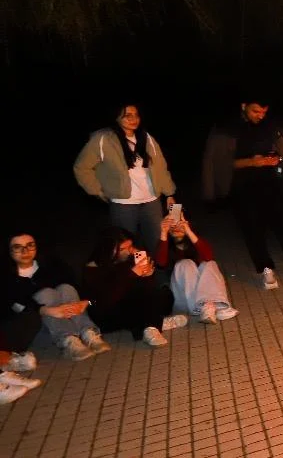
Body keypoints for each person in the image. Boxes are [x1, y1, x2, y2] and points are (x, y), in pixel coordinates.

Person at [202, 92, 283, 289]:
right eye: (256, 111)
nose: (260, 115)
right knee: (253, 229)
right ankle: (265, 269)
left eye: (264, 112)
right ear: (244, 106)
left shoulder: (270, 125)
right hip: (242, 186)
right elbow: (219, 164)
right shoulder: (226, 129)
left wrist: (279, 161)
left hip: (272, 181)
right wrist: (252, 162)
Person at [74, 104, 177, 251]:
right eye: (128, 115)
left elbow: (160, 166)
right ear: (117, 117)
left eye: (136, 115)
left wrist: (169, 193)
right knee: (127, 248)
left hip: (152, 202)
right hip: (123, 204)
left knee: (158, 243)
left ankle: (157, 267)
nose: (133, 119)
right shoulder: (103, 139)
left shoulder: (146, 137)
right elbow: (81, 167)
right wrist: (98, 191)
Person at [5, 231, 109, 364]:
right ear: (9, 251)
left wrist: (87, 302)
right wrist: (44, 310)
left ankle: (88, 332)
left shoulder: (51, 266)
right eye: (18, 247)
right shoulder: (6, 276)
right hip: (36, 328)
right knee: (46, 293)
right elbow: (13, 304)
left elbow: (79, 288)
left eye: (30, 245)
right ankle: (68, 340)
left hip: (69, 320)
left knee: (66, 288)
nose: (25, 251)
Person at [82, 228, 184, 347]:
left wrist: (147, 275)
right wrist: (131, 274)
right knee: (139, 302)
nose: (128, 251)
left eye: (130, 246)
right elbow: (106, 300)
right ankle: (152, 327)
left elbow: (146, 291)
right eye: (122, 249)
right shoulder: (92, 268)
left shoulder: (128, 259)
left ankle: (153, 324)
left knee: (165, 295)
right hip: (108, 313)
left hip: (133, 307)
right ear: (108, 250)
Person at [155, 216, 237, 324]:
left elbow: (208, 256)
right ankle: (212, 308)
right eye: (172, 225)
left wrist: (188, 231)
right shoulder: (165, 245)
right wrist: (163, 233)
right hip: (184, 299)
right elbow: (160, 263)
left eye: (179, 223)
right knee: (185, 263)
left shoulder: (195, 241)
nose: (176, 227)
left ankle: (213, 306)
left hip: (205, 297)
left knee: (210, 263)